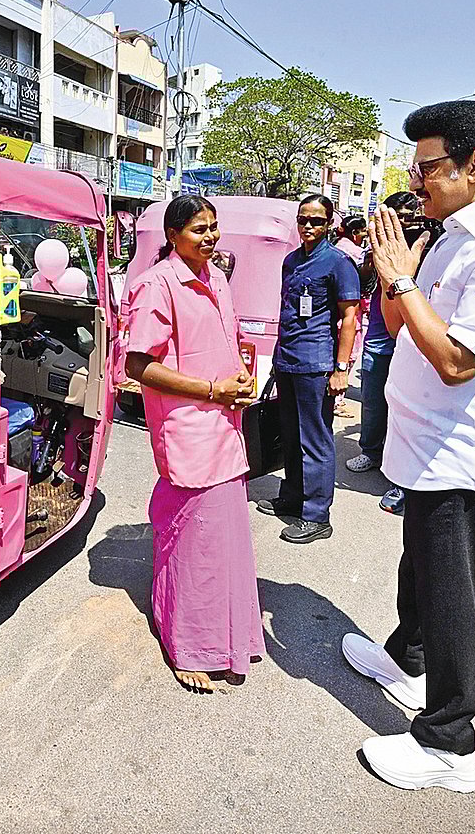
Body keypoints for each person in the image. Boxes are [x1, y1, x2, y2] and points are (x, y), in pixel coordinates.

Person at [342, 101, 475, 792]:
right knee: (420, 568)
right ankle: (408, 659)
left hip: (462, 452)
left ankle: (449, 741)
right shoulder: (454, 234)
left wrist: (403, 277)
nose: (415, 178)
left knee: (453, 588)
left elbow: (459, 359)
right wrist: (391, 269)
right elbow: (409, 326)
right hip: (425, 444)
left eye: (427, 165)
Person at [123, 194, 264, 694]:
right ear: (172, 235)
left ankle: (226, 638)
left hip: (225, 424)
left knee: (223, 540)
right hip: (189, 430)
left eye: (213, 228)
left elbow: (227, 341)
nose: (210, 237)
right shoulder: (155, 286)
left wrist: (241, 379)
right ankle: (186, 645)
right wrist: (210, 390)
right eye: (199, 229)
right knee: (191, 542)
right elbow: (137, 366)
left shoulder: (215, 277)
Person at [256, 195, 361, 543]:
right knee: (289, 434)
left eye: (316, 220)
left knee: (314, 439)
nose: (308, 226)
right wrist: (276, 357)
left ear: (329, 223)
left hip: (316, 364)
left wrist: (341, 368)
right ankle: (292, 498)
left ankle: (317, 515)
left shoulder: (338, 263)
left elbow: (349, 318)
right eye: (303, 220)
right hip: (288, 360)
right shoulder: (291, 261)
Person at [345, 194, 428, 512]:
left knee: (407, 413)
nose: (402, 222)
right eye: (396, 216)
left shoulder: (427, 246)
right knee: (373, 402)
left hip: (415, 341)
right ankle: (370, 450)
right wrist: (374, 259)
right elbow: (364, 284)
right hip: (379, 340)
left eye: (408, 216)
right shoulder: (378, 246)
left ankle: (402, 479)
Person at [333, 216, 369, 418]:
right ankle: (336, 400)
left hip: (342, 312)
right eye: (363, 231)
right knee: (348, 355)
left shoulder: (336, 249)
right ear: (355, 233)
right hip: (351, 312)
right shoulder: (355, 254)